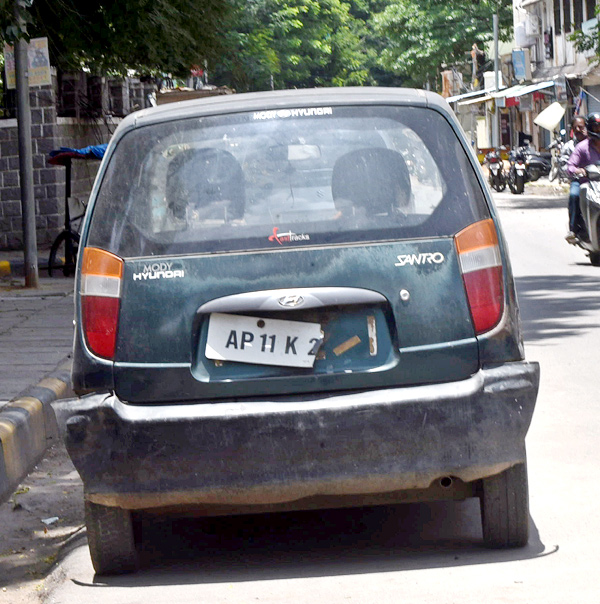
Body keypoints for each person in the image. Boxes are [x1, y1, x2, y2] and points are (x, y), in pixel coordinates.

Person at [565, 113, 600, 243]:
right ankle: (573, 229)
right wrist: (578, 170)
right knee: (574, 195)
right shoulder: (581, 147)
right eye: (596, 128)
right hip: (584, 182)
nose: (598, 131)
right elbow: (570, 166)